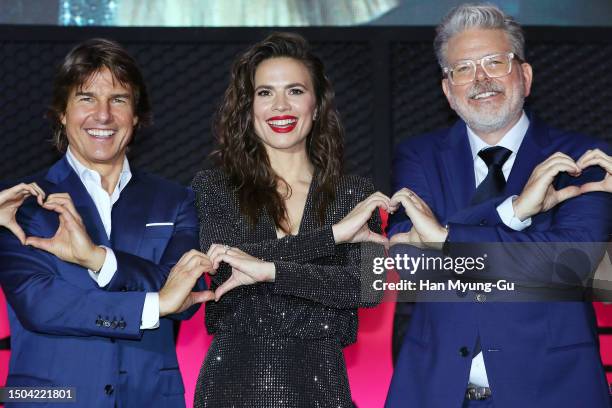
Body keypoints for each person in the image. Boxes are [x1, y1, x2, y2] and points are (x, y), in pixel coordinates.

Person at [385, 4, 612, 408]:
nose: (481, 79)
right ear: (447, 90)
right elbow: (409, 260)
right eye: (464, 68)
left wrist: (444, 238)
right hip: (435, 392)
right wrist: (515, 212)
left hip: (554, 391)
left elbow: (571, 263)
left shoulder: (580, 159)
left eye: (495, 62)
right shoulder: (418, 156)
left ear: (524, 76)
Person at [0, 38, 212, 408]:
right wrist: (154, 303)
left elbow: (187, 294)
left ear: (136, 115)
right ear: (62, 113)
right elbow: (42, 304)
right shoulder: (21, 203)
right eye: (86, 98)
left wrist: (100, 260)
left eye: (118, 99)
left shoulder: (175, 200)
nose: (102, 115)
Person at [190, 32, 389, 407]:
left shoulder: (356, 193)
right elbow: (224, 265)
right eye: (265, 93)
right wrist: (332, 238)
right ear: (249, 109)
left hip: (322, 386)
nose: (280, 106)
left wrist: (267, 271)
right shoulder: (215, 187)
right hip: (232, 386)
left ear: (316, 106)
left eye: (295, 91)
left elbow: (367, 289)